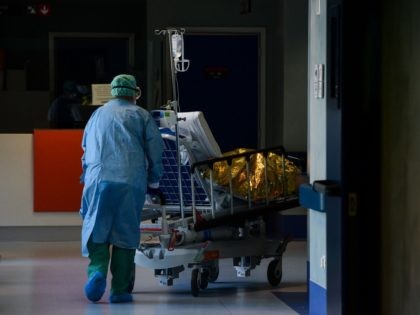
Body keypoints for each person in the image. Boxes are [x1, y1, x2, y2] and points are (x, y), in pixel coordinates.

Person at [79, 74, 164, 303]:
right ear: (133, 92)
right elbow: (156, 149)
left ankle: (97, 272)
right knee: (125, 235)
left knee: (97, 229)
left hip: (97, 180)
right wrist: (155, 179)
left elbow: (86, 148)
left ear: (114, 92)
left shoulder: (97, 114)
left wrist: (85, 176)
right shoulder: (141, 115)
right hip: (129, 180)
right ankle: (119, 290)